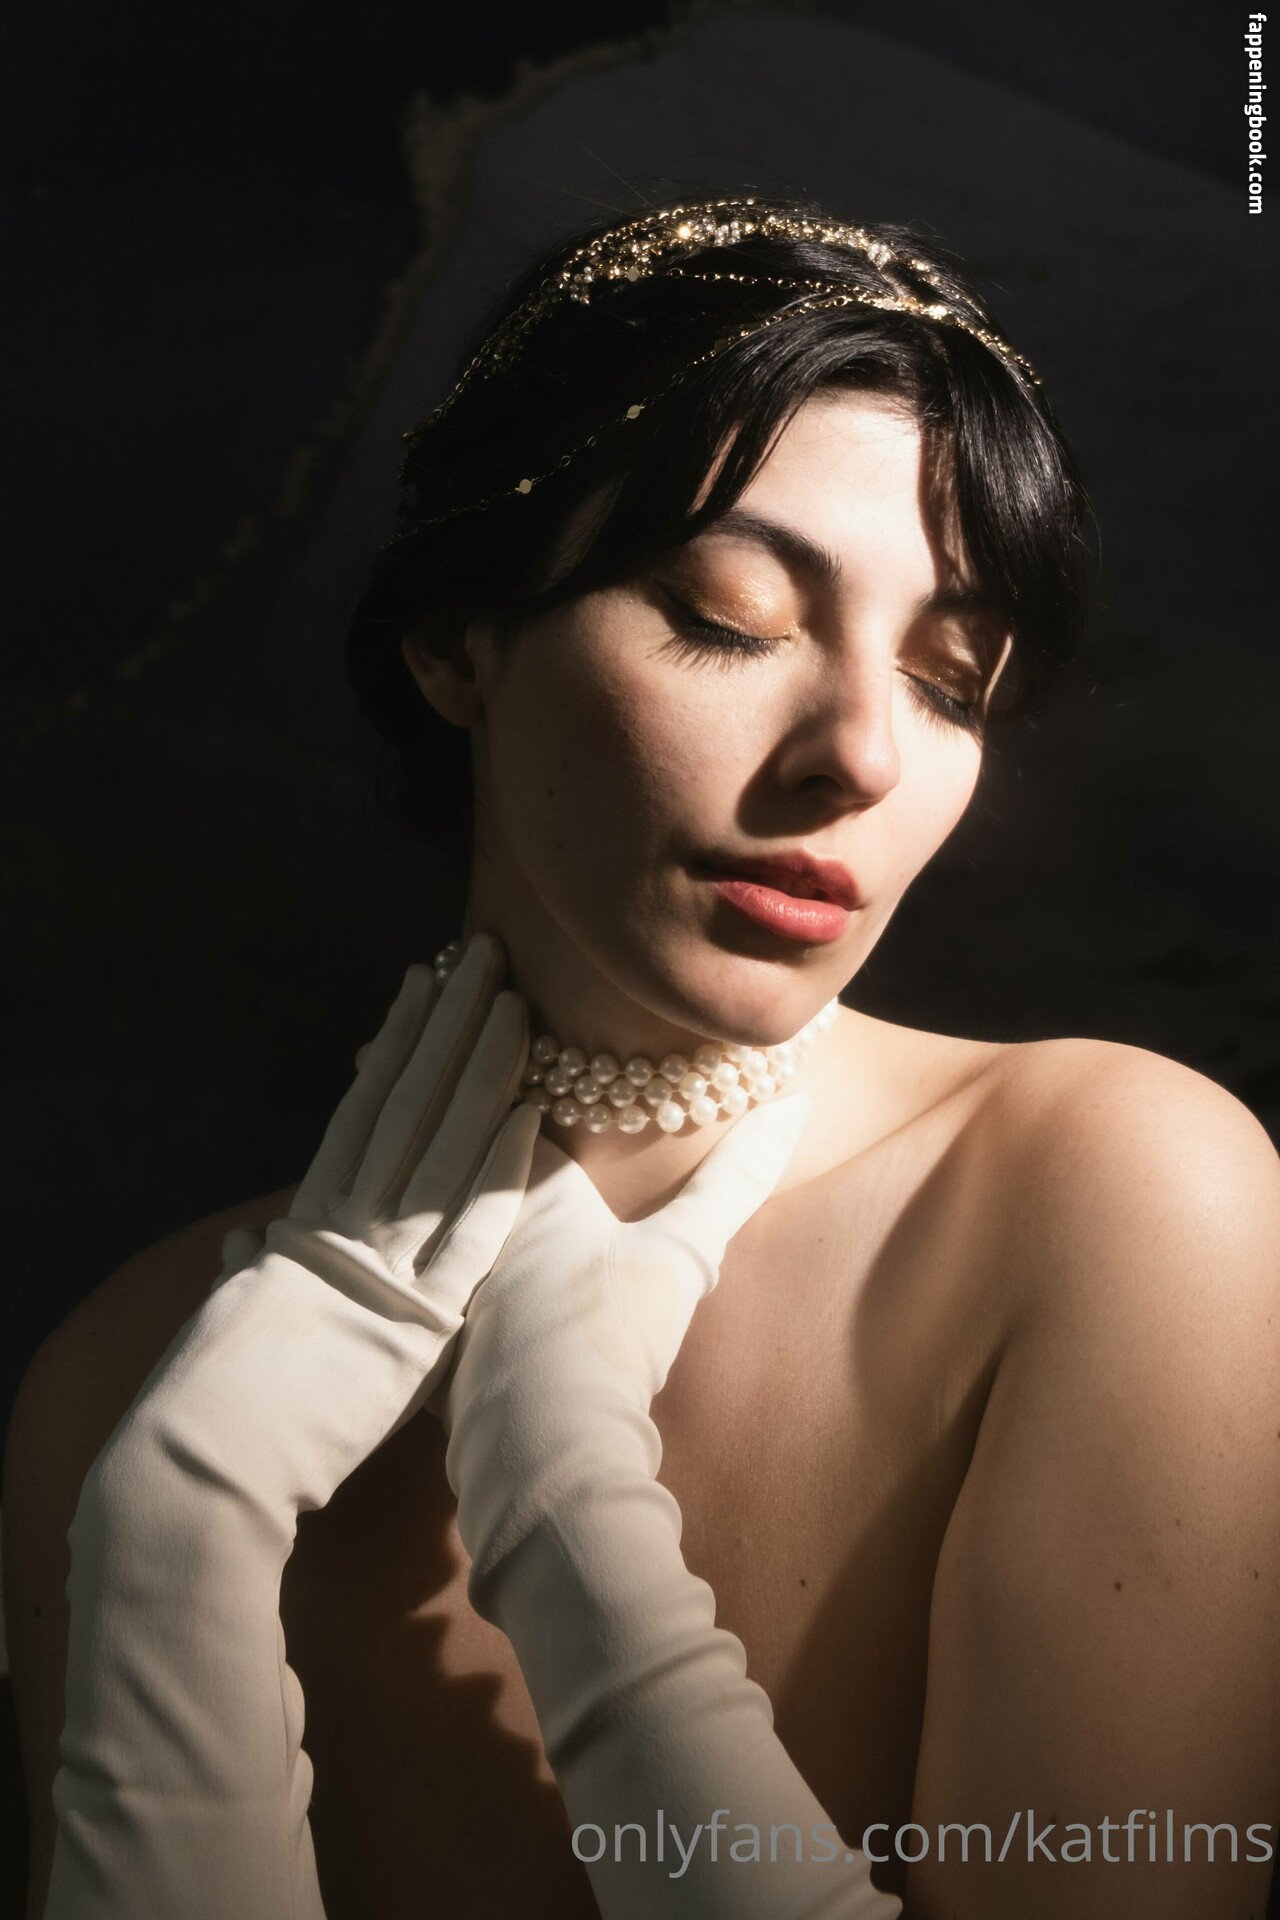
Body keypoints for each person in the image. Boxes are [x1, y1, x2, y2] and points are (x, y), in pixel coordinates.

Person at [5, 193, 1280, 1920]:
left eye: (949, 679)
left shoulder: (1118, 1196)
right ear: (459, 638)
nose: (860, 753)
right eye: (731, 613)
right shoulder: (137, 1385)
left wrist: (581, 1537)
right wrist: (172, 1546)